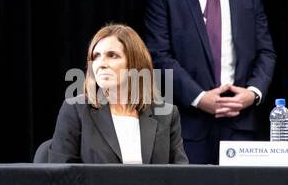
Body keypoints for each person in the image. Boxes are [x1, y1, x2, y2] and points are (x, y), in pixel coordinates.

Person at [144, 0, 275, 164]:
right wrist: (199, 98)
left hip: (240, 125)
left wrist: (253, 93)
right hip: (187, 127)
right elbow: (158, 56)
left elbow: (266, 52)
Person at [48, 23, 188, 164]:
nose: (101, 63)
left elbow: (181, 178)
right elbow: (60, 179)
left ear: (135, 63)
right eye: (95, 56)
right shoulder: (75, 110)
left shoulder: (165, 114)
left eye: (112, 55)